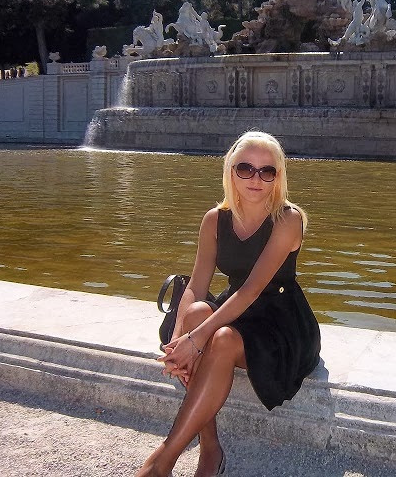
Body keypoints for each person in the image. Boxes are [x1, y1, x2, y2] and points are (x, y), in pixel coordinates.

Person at [136, 131, 321, 477]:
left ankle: (161, 462)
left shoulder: (288, 219)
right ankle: (211, 447)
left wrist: (196, 340)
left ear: (278, 176)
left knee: (217, 338)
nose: (256, 178)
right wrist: (178, 341)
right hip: (235, 310)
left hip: (281, 323)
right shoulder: (214, 219)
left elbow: (250, 290)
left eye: (267, 171)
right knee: (194, 314)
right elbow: (196, 286)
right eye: (246, 168)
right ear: (231, 171)